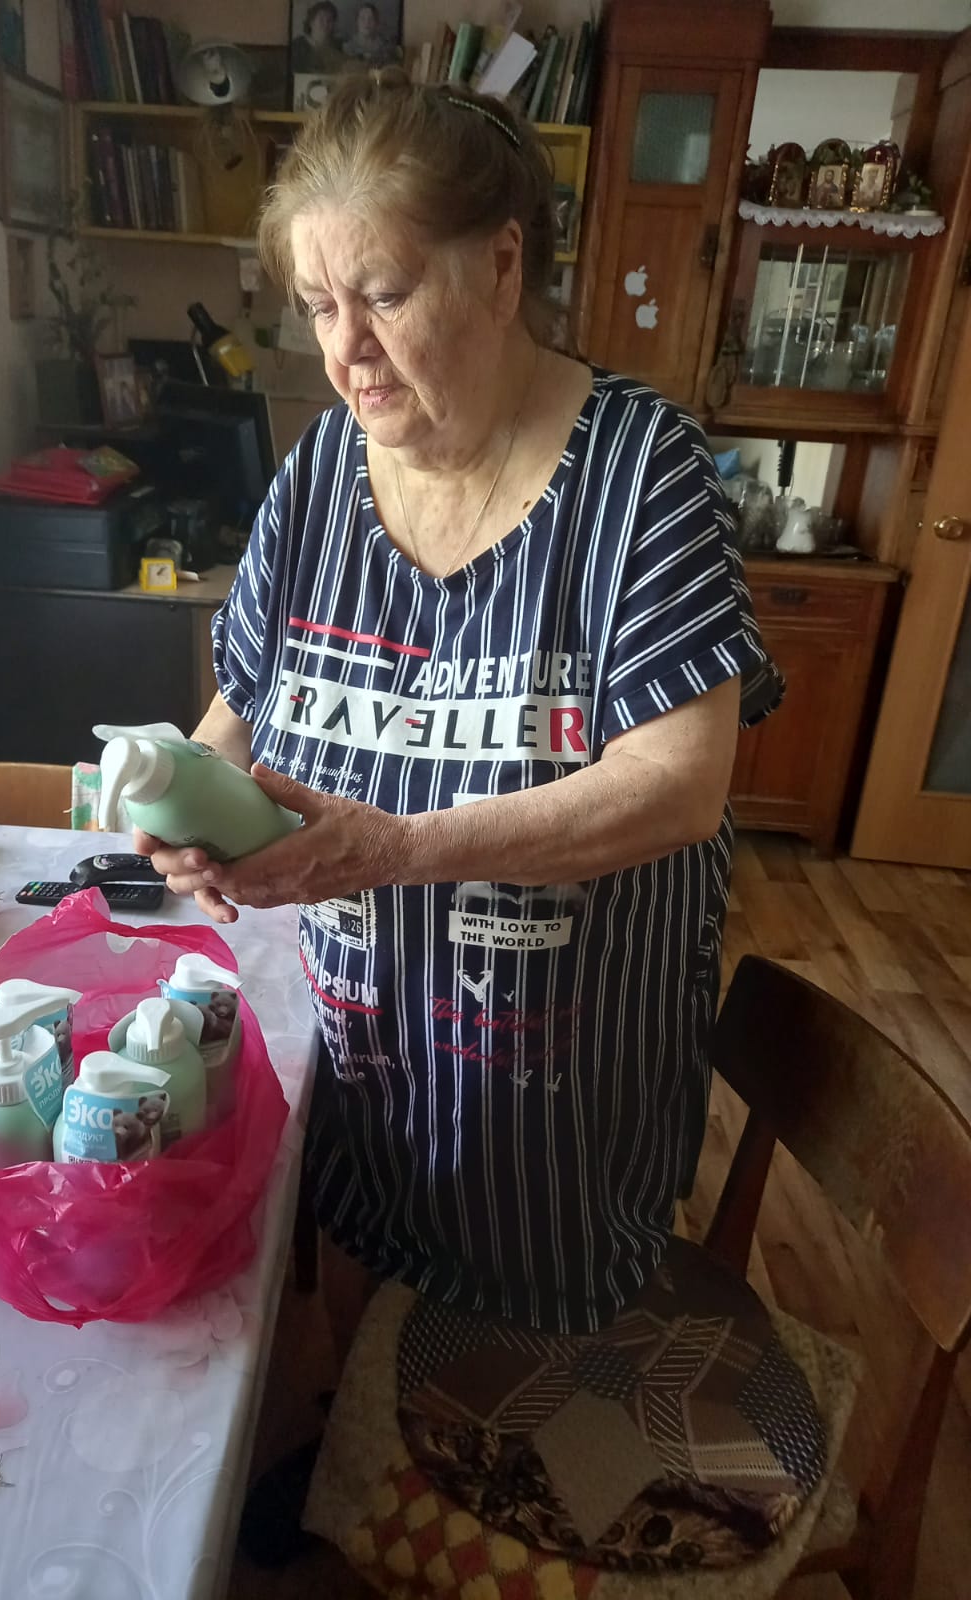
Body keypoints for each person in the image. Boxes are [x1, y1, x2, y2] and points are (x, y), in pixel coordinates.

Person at [139, 71, 781, 1351]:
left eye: (383, 294)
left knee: (508, 1397)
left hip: (552, 1125)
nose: (345, 350)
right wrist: (189, 799)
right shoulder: (320, 471)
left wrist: (399, 849)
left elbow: (678, 786)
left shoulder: (642, 474)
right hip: (355, 1078)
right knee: (343, 1353)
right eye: (319, 305)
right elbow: (241, 709)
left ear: (499, 266)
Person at [291, 2, 345, 75]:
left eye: (330, 20)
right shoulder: (297, 45)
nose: (326, 23)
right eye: (321, 19)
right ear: (311, 22)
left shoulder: (339, 45)